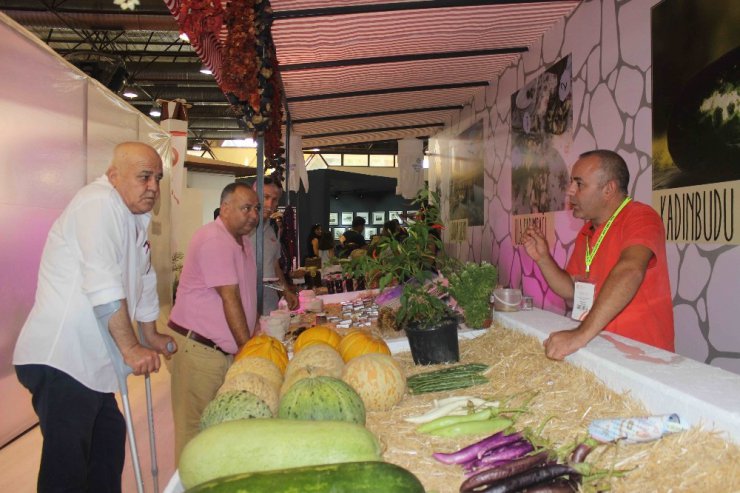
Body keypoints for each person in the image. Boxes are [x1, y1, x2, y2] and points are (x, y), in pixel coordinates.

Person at [13, 142, 176, 493]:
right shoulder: (99, 203)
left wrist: (150, 335)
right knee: (68, 471)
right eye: (144, 177)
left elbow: (144, 281)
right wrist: (131, 347)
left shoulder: (134, 218)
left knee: (106, 454)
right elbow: (102, 283)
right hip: (62, 359)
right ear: (114, 175)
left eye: (158, 179)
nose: (153, 187)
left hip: (92, 366)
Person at [521, 150, 674, 360]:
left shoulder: (641, 217)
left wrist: (580, 335)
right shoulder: (586, 232)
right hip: (601, 350)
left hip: (642, 355)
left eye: (579, 184)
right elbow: (571, 290)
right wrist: (543, 258)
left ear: (609, 189)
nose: (570, 191)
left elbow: (630, 271)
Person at [167, 182, 260, 461]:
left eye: (256, 208)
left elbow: (245, 297)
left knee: (217, 428)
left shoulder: (241, 242)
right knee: (194, 431)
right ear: (225, 208)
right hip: (198, 350)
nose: (254, 214)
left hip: (220, 352)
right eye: (246, 208)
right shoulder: (214, 239)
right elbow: (229, 297)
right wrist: (247, 349)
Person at [251, 177, 299, 313]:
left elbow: (274, 265)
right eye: (265, 197)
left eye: (275, 199)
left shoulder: (271, 230)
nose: (270, 204)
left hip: (269, 304)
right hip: (247, 304)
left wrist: (286, 291)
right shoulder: (243, 228)